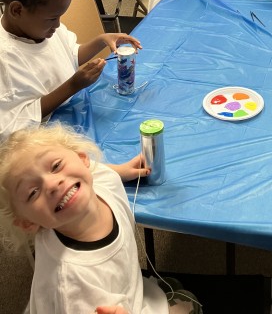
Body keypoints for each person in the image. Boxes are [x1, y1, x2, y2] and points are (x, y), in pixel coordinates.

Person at [0, 123, 202, 313]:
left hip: (131, 290)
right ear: (28, 222)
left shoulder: (104, 179)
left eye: (55, 166)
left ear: (83, 159)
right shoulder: (72, 287)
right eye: (33, 192)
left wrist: (122, 170)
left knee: (176, 292)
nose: (53, 184)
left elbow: (98, 171)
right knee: (189, 303)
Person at [0, 0, 142, 142]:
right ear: (17, 10)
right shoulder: (5, 58)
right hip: (38, 141)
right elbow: (12, 127)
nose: (58, 25)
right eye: (52, 18)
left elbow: (71, 54)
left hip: (71, 112)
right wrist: (73, 85)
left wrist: (101, 39)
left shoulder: (43, 28)